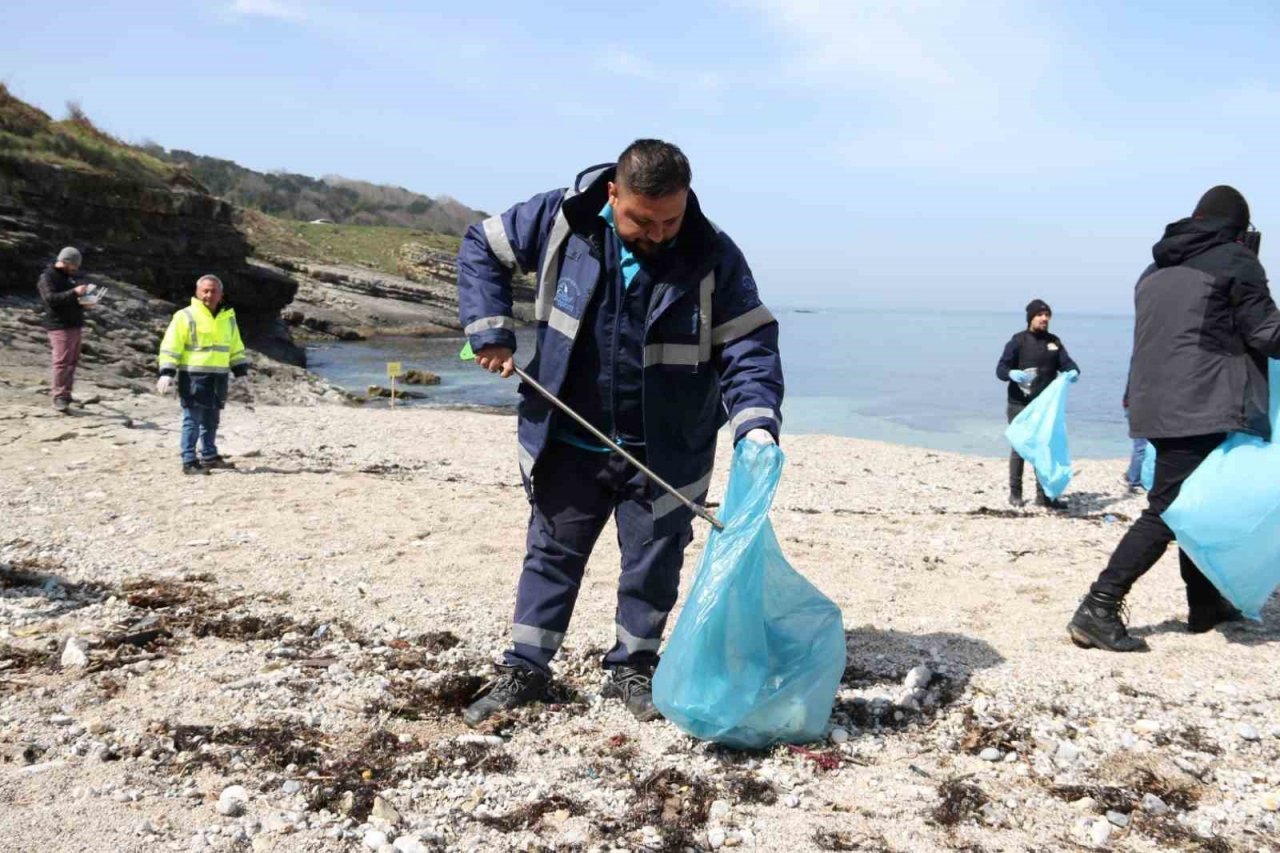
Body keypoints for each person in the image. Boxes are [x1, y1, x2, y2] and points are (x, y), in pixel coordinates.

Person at [456, 139, 783, 725]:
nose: (658, 233)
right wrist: (491, 331)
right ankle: (526, 667)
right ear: (613, 194)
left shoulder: (713, 254)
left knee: (654, 562)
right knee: (551, 553)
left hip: (667, 450)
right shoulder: (560, 221)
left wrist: (756, 423)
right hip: (568, 436)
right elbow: (481, 245)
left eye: (671, 220)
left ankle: (632, 666)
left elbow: (748, 345)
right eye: (643, 220)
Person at [1068, 185, 1280, 652]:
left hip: (1155, 402)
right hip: (1202, 401)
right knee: (1169, 508)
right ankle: (1099, 606)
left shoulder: (1154, 269)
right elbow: (1267, 334)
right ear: (1238, 228)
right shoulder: (1235, 261)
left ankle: (1203, 606)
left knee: (1193, 503)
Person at [156, 275, 250, 475]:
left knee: (211, 419)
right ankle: (189, 460)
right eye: (205, 291)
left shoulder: (228, 318)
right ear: (197, 293)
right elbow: (171, 345)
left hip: (218, 377)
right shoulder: (185, 316)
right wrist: (167, 372)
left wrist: (240, 370)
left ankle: (209, 456)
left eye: (213, 291)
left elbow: (235, 346)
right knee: (192, 419)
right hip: (193, 376)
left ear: (221, 294)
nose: (209, 295)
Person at [995, 299, 1080, 508]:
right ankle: (1015, 493)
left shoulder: (1054, 342)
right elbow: (1000, 369)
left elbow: (1068, 364)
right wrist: (1011, 374)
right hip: (1019, 403)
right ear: (1031, 318)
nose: (1044, 318)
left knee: (1045, 447)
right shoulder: (1018, 341)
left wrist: (1073, 372)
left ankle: (1045, 496)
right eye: (1040, 315)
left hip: (1043, 408)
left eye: (1047, 315)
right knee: (1020, 447)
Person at [36, 246, 94, 412]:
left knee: (72, 361)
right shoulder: (47, 277)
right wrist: (74, 292)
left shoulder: (70, 278)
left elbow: (73, 300)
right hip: (59, 326)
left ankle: (66, 394)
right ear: (66, 261)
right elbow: (50, 299)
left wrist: (87, 301)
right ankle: (59, 396)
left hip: (75, 324)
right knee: (62, 361)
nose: (76, 268)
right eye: (75, 264)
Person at [1120, 394, 1146, 493]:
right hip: (1138, 407)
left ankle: (1132, 476)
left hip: (1134, 405)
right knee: (1141, 446)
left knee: (1141, 445)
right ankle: (1134, 482)